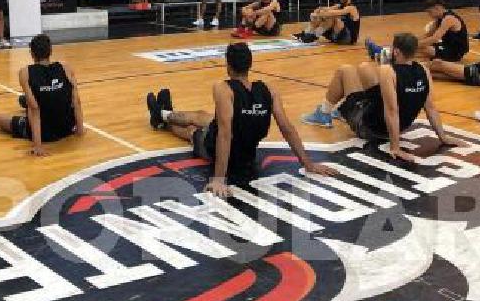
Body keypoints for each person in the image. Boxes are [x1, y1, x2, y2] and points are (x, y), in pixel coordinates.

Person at [144, 43, 340, 197]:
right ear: (250, 64)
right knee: (204, 115)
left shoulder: (223, 88)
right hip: (246, 147)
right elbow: (287, 128)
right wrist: (308, 164)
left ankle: (162, 119)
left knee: (192, 131)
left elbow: (225, 134)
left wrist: (219, 178)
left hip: (224, 150)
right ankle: (165, 112)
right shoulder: (269, 90)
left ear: (228, 66)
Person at [301, 33, 463, 161]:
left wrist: (395, 147)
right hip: (400, 127)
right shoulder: (424, 70)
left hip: (371, 128)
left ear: (396, 51)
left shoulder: (388, 71)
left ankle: (324, 113)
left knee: (345, 70)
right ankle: (341, 111)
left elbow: (391, 111)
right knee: (362, 69)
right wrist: (443, 137)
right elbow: (431, 108)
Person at [0, 34, 85, 156]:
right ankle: (24, 100)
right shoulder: (66, 68)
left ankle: (24, 101)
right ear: (50, 51)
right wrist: (80, 130)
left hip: (44, 131)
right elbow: (76, 101)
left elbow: (34, 108)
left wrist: (38, 146)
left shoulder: (25, 73)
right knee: (28, 100)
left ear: (32, 53)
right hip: (66, 128)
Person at [366, 0, 467, 62]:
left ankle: (386, 53)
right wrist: (409, 41)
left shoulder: (449, 18)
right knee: (419, 50)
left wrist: (412, 45)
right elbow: (427, 35)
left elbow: (434, 38)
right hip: (446, 47)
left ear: (437, 8)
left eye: (430, 12)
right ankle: (385, 54)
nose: (429, 15)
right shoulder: (439, 19)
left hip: (455, 52)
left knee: (424, 48)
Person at [293, 0, 361, 45]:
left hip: (348, 39)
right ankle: (306, 34)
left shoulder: (352, 8)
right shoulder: (340, 5)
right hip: (336, 35)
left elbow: (333, 13)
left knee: (332, 17)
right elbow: (327, 9)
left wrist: (318, 15)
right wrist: (318, 10)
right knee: (322, 16)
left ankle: (314, 36)